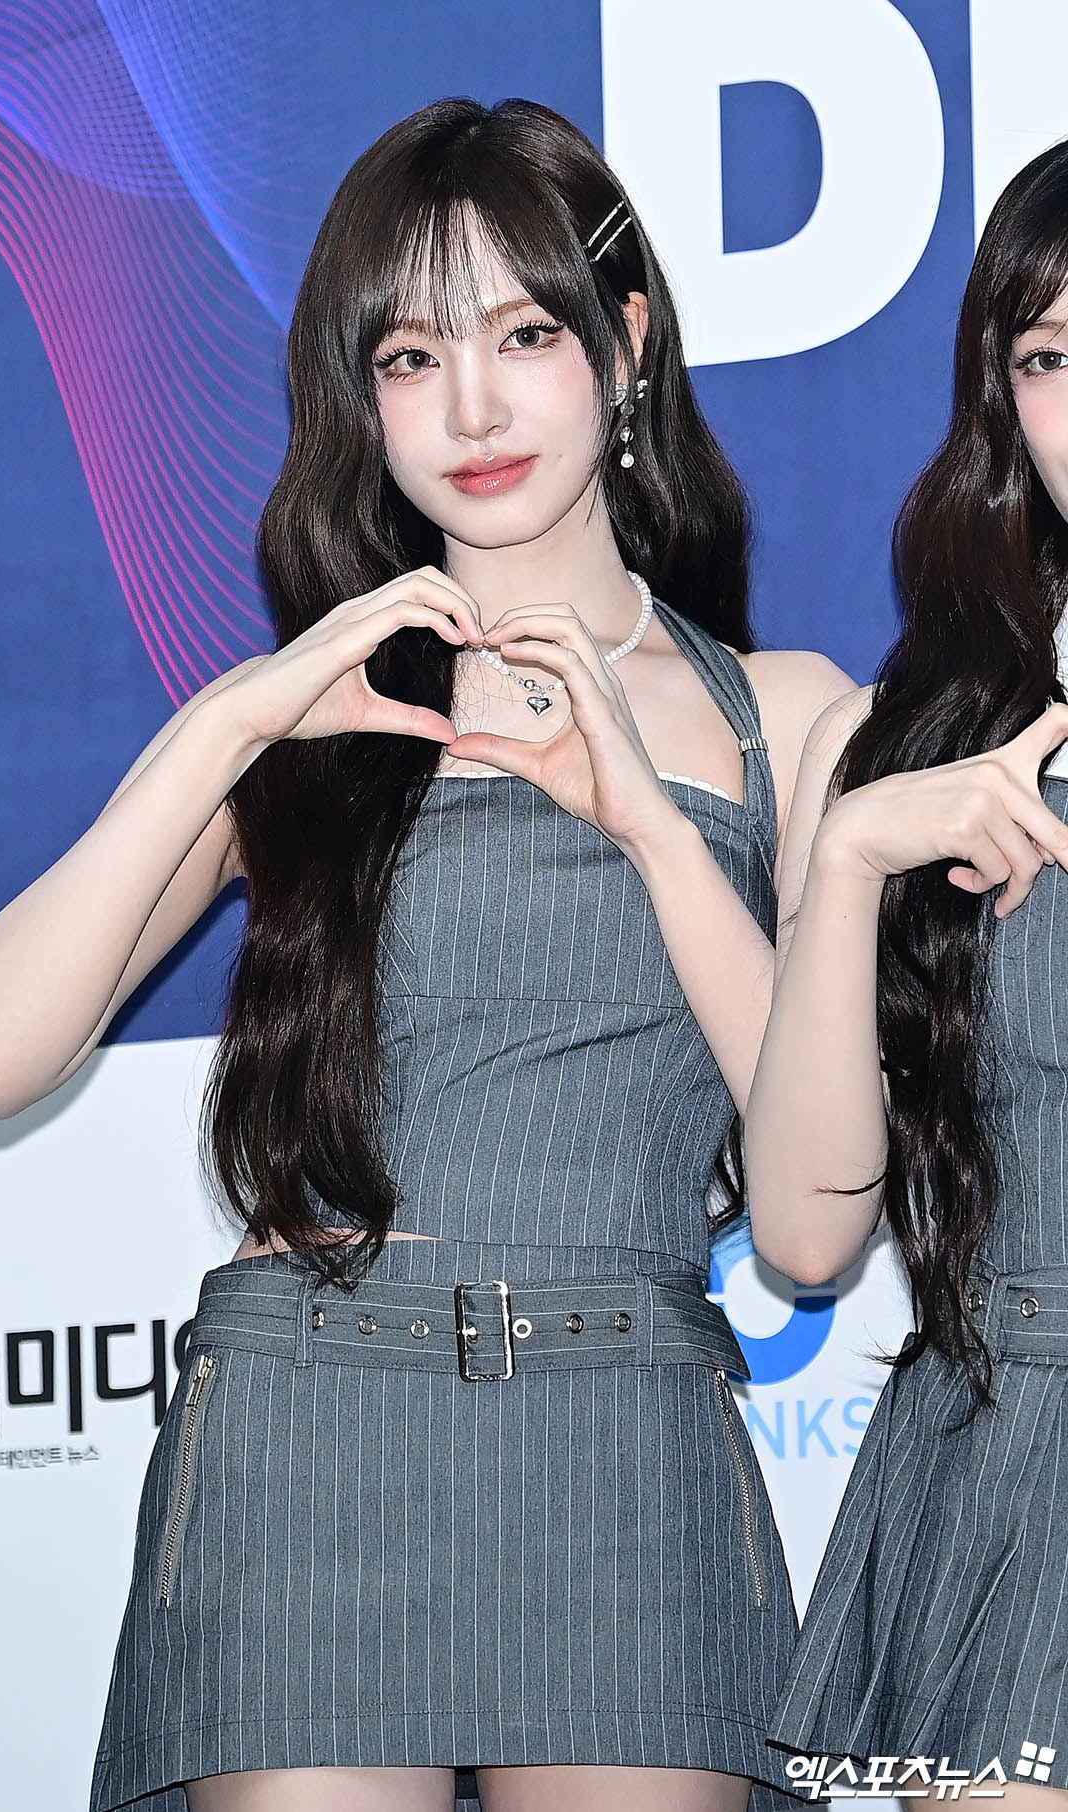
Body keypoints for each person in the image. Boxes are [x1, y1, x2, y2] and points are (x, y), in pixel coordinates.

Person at [0, 97, 854, 1812]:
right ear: (362, 401)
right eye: (413, 358)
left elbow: (814, 1226)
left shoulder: (785, 720)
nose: (474, 409)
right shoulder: (314, 715)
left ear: (626, 341)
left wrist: (657, 832)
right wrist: (232, 718)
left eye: (524, 336)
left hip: (623, 1431)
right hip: (309, 1427)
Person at [740, 139, 1068, 1806]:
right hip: (1012, 1448)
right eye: (1052, 357)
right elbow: (805, 1240)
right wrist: (857, 853)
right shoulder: (898, 746)